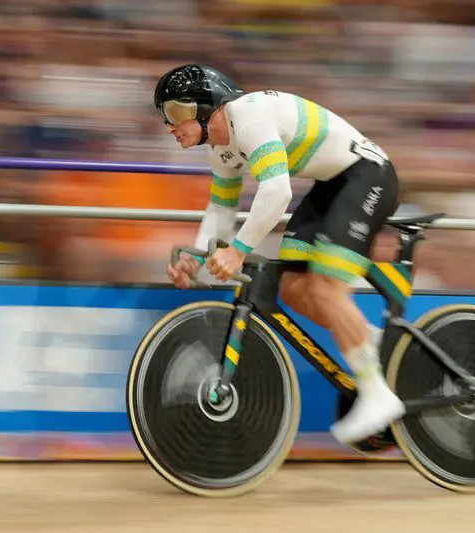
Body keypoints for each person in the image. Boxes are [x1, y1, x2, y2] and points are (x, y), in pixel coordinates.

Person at [157, 63, 404, 444]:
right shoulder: (221, 150)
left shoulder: (250, 115)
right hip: (332, 185)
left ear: (205, 106)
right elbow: (221, 212)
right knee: (291, 288)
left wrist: (238, 251)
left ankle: (376, 395)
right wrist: (194, 260)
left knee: (324, 289)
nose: (169, 125)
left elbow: (277, 193)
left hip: (367, 176)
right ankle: (366, 339)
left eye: (174, 113)